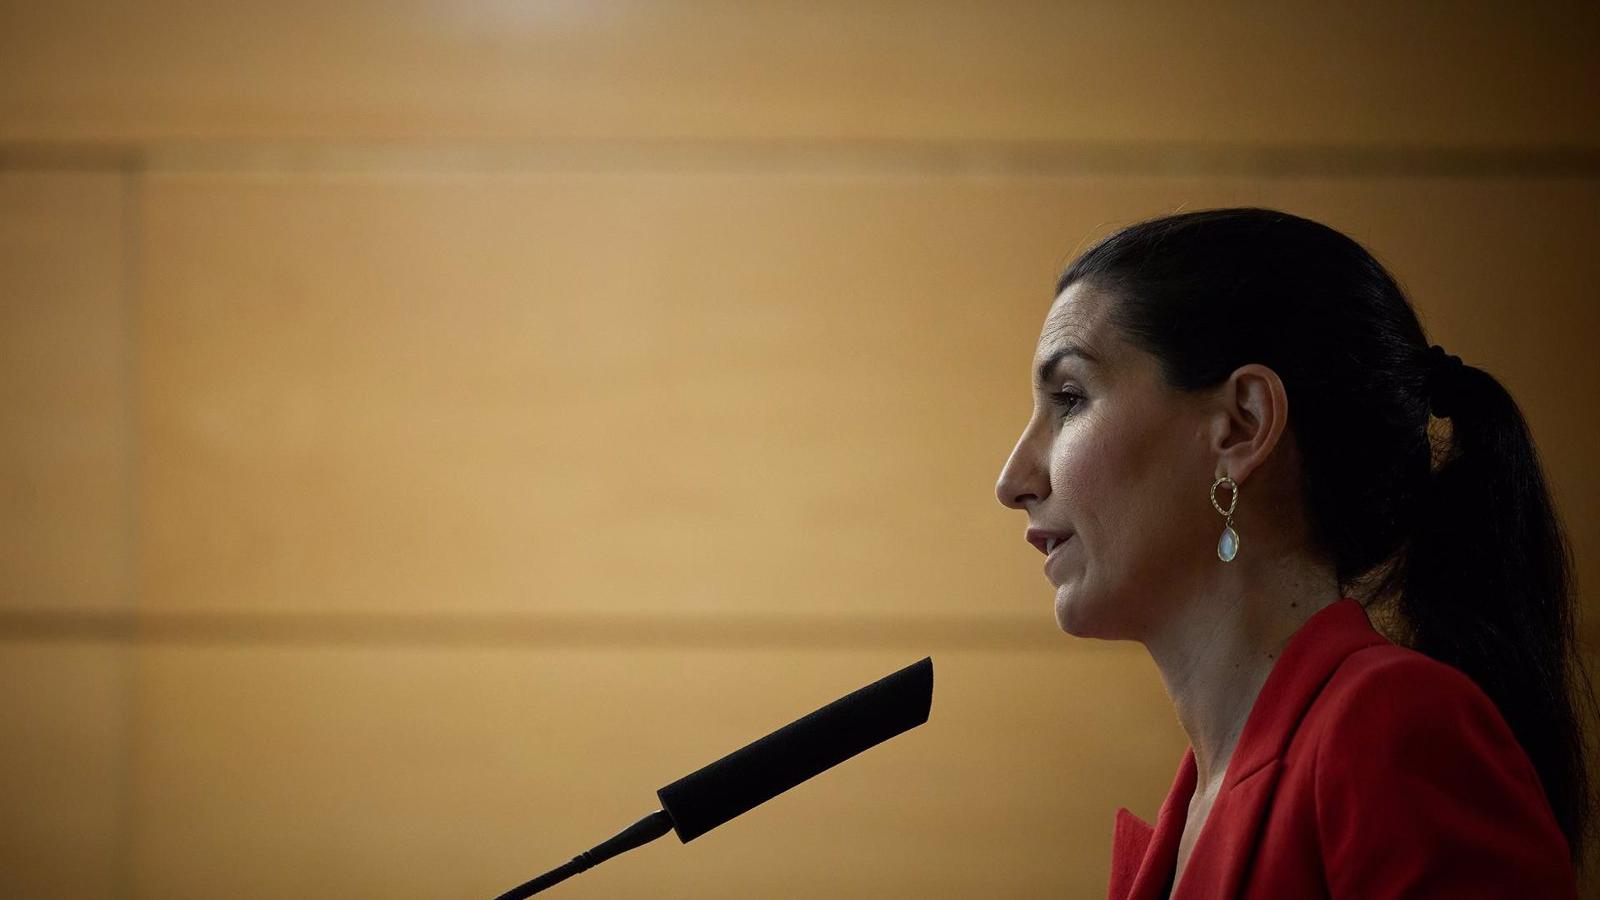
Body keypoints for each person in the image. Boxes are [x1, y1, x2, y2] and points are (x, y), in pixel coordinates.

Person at [993, 208, 1595, 899]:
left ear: (1241, 425)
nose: (1013, 480)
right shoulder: (1196, 805)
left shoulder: (1394, 728)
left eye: (1070, 399)